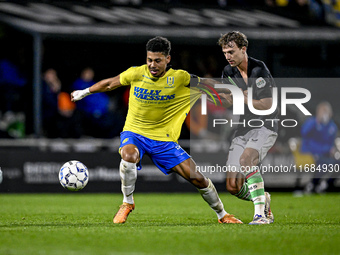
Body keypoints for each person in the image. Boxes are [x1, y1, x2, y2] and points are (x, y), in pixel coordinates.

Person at [71, 36, 242, 224]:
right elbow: (110, 83)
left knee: (199, 179)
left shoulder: (180, 78)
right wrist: (85, 92)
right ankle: (127, 203)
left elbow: (207, 85)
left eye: (157, 61)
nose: (152, 65)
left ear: (167, 59)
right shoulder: (136, 73)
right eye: (149, 60)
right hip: (135, 133)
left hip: (164, 140)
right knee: (128, 155)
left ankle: (222, 215)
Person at [217, 31, 278, 224]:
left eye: (231, 51)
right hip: (244, 126)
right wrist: (222, 99)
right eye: (225, 52)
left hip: (266, 124)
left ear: (244, 49)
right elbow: (228, 103)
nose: (228, 56)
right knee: (233, 186)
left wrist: (242, 97)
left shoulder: (259, 69)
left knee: (246, 160)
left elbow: (268, 104)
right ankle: (263, 198)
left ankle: (260, 215)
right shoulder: (228, 71)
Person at [72, 67, 124, 138]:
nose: (89, 75)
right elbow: (85, 100)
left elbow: (103, 97)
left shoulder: (94, 84)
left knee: (118, 117)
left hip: (102, 111)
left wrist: (104, 107)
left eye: (90, 73)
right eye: (87, 73)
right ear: (83, 74)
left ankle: (110, 137)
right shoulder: (78, 84)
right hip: (87, 111)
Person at [301, 101, 338, 194]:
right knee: (323, 163)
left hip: (324, 154)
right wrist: (317, 121)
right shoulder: (312, 122)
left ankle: (325, 184)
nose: (325, 114)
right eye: (323, 111)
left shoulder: (332, 126)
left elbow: (330, 143)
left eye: (326, 111)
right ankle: (313, 184)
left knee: (336, 163)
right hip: (311, 153)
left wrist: (331, 150)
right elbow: (304, 132)